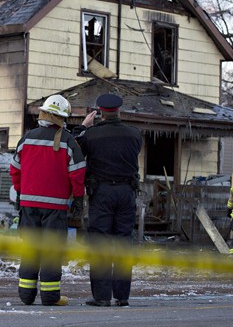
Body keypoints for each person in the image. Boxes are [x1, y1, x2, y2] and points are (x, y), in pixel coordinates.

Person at [10, 94, 86, 306]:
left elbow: (15, 169)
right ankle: (50, 297)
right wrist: (78, 198)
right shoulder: (68, 140)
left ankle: (26, 295)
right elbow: (78, 172)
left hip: (28, 205)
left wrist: (20, 193)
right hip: (54, 207)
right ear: (62, 118)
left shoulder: (27, 137)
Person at [73, 93, 142, 308]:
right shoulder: (134, 134)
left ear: (100, 112)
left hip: (101, 193)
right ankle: (122, 296)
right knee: (123, 243)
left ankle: (102, 297)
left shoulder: (91, 135)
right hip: (126, 192)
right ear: (119, 111)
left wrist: (84, 127)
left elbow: (75, 149)